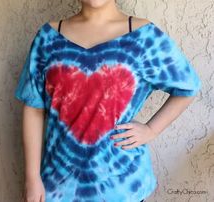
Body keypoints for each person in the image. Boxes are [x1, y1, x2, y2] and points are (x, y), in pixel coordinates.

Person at [14, 0, 202, 202]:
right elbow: (33, 108)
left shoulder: (144, 37)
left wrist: (151, 129)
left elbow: (187, 88)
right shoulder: (48, 39)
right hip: (58, 188)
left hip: (122, 187)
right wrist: (32, 178)